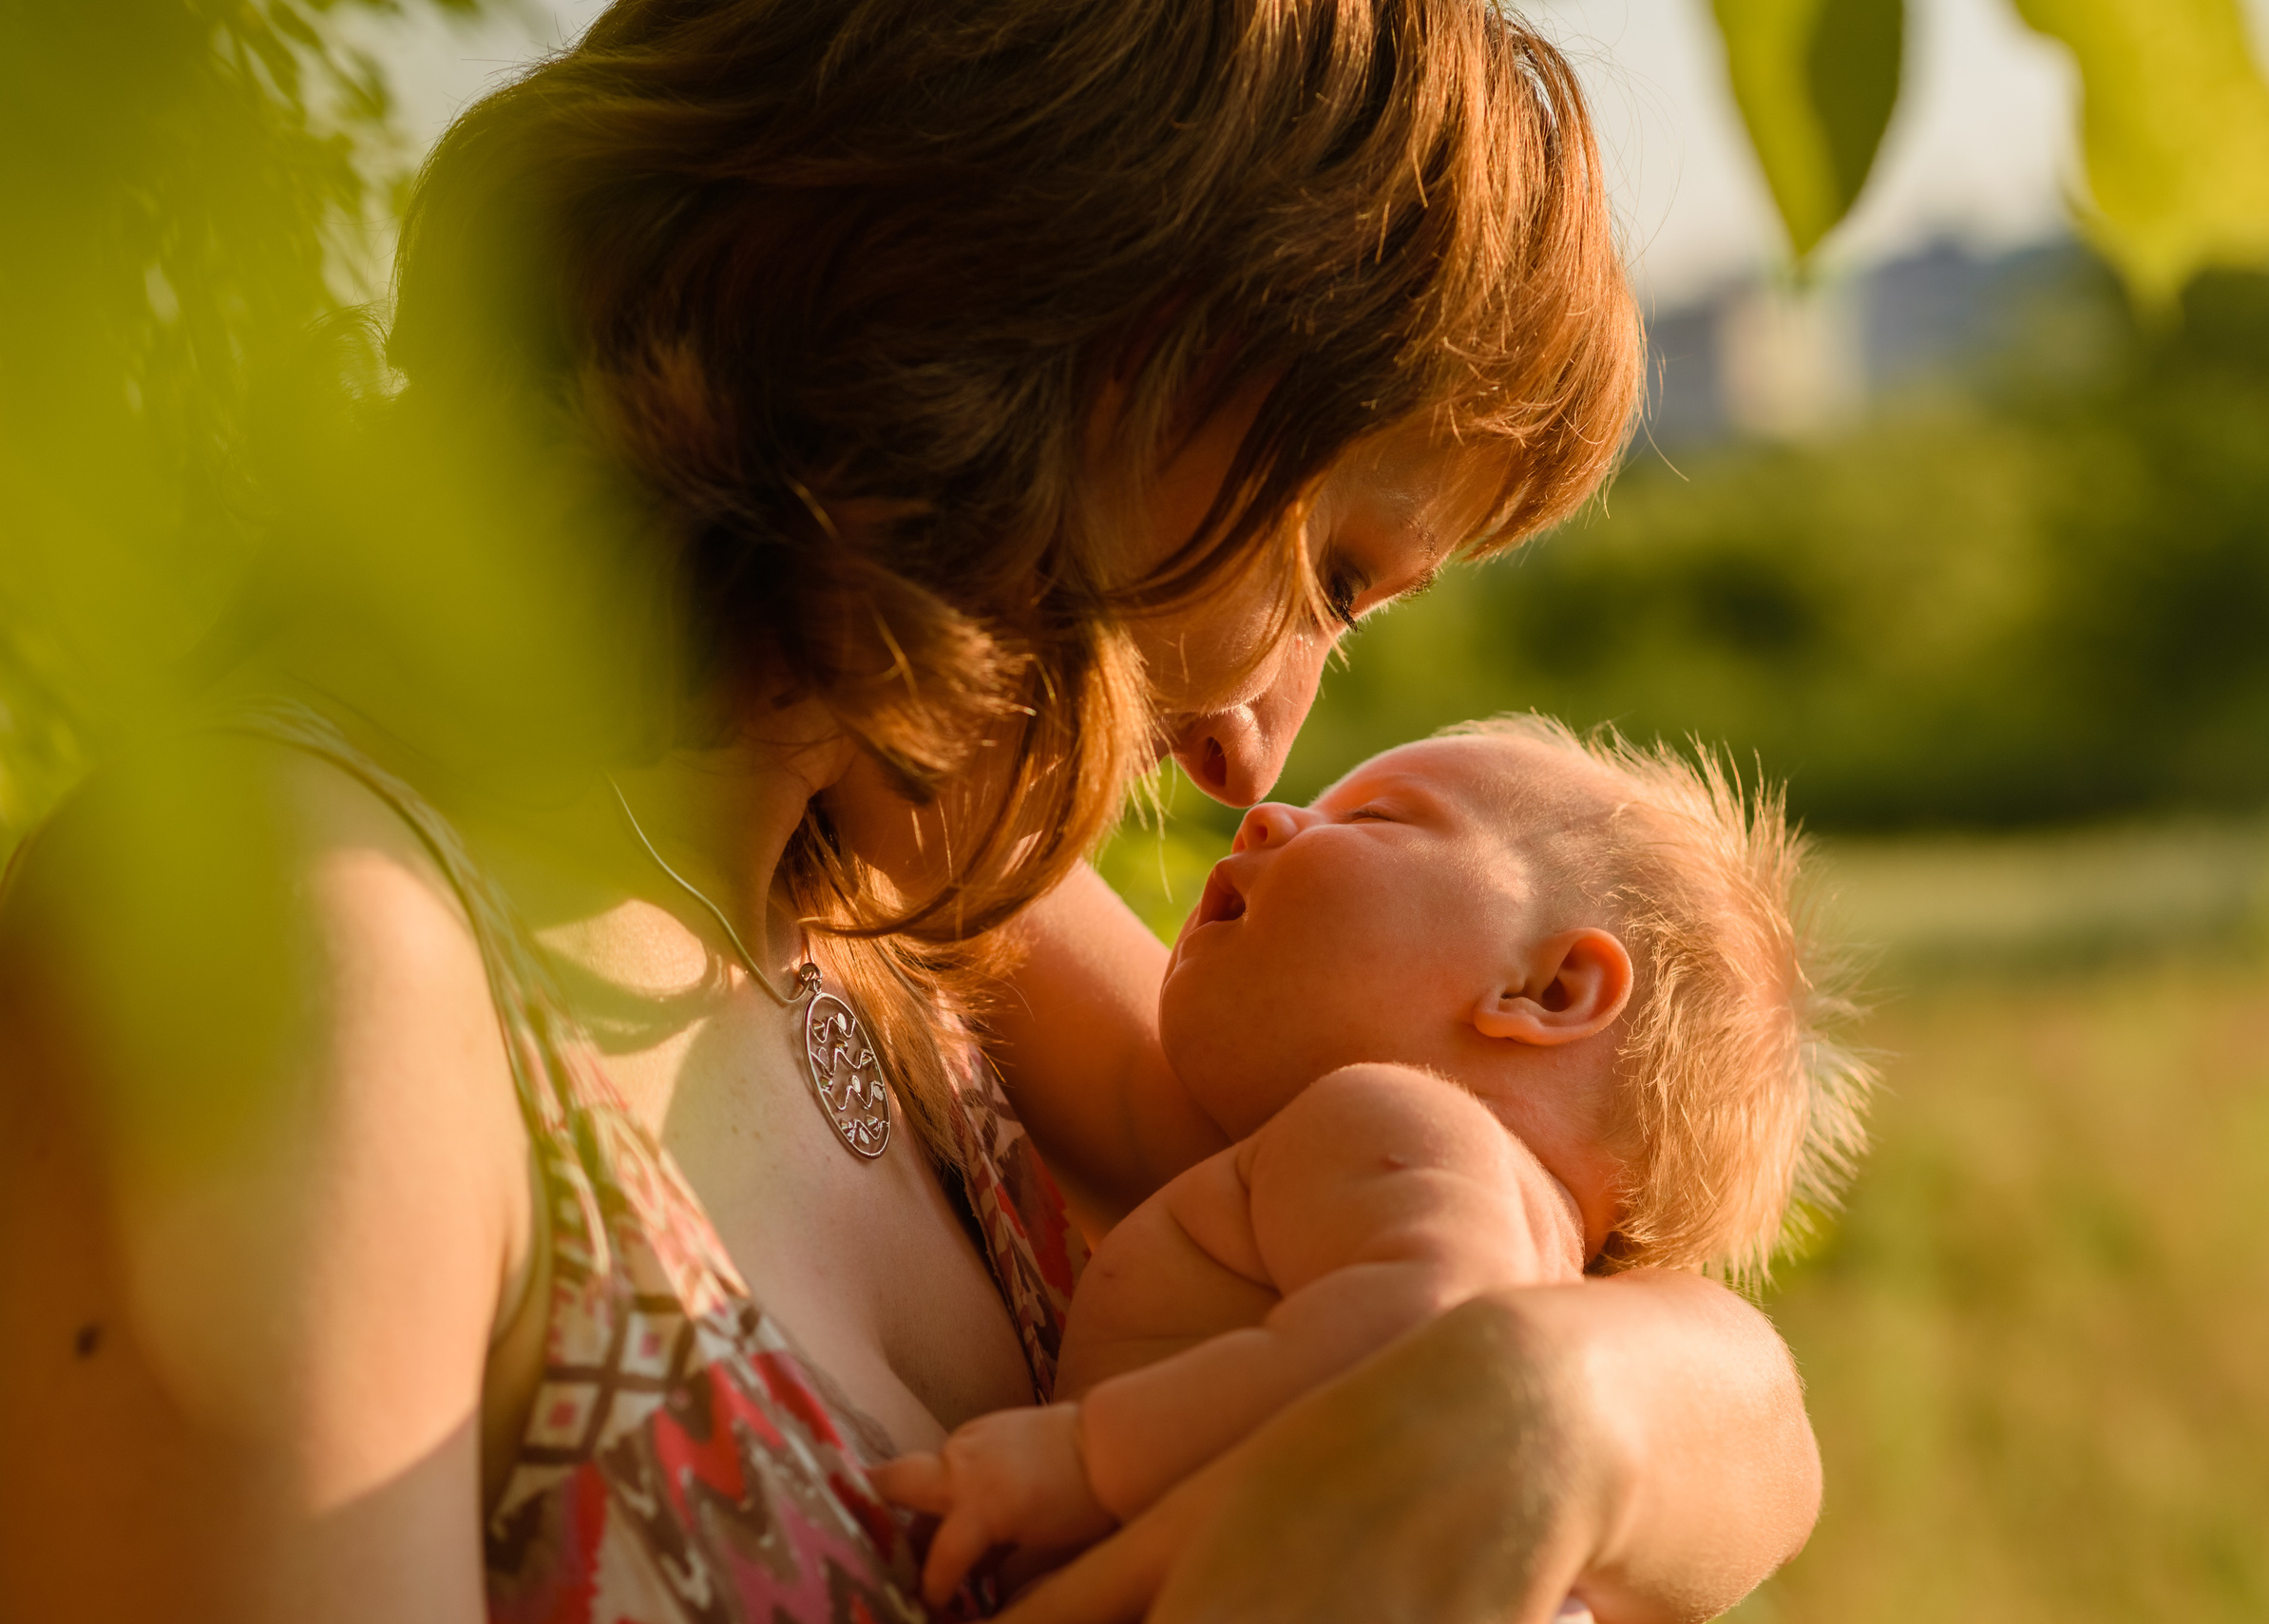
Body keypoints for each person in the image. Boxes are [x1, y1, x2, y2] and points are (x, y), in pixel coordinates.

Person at [0, 3, 1824, 1622]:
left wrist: (1534, 1423)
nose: (1255, 756)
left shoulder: (905, 921)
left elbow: (1686, 1347)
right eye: (1332, 572)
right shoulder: (298, 955)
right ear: (1103, 348)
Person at [873, 717, 1873, 1614]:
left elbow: (1417, 1333)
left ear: (1550, 986)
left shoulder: (1394, 1118)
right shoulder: (1485, 1216)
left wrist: (1089, 1455)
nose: (1265, 816)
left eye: (1381, 817)